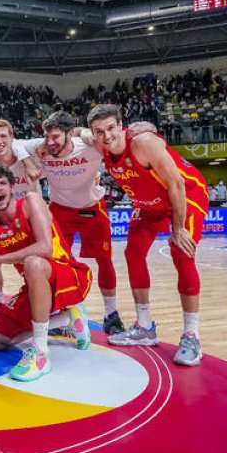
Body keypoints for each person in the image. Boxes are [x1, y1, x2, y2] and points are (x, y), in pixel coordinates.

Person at [87, 106, 210, 367]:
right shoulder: (99, 146)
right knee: (133, 253)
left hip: (186, 195)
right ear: (94, 134)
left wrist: (178, 229)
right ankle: (144, 327)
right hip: (148, 203)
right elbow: (72, 133)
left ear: (122, 126)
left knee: (181, 252)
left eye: (111, 128)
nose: (106, 135)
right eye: (99, 131)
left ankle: (191, 335)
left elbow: (176, 183)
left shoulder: (143, 143)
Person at [0, 165, 92, 382]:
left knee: (33, 262)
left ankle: (40, 352)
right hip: (36, 283)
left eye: (3, 183)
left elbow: (45, 248)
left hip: (68, 274)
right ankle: (67, 318)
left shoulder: (31, 202)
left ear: (12, 187)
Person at [10, 111, 123, 334]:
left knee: (105, 261)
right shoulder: (41, 146)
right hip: (60, 209)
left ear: (70, 134)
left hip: (92, 206)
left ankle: (111, 314)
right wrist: (29, 163)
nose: (50, 143)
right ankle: (62, 312)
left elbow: (114, 139)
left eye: (55, 137)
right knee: (55, 262)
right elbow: (14, 143)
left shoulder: (88, 145)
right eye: (47, 137)